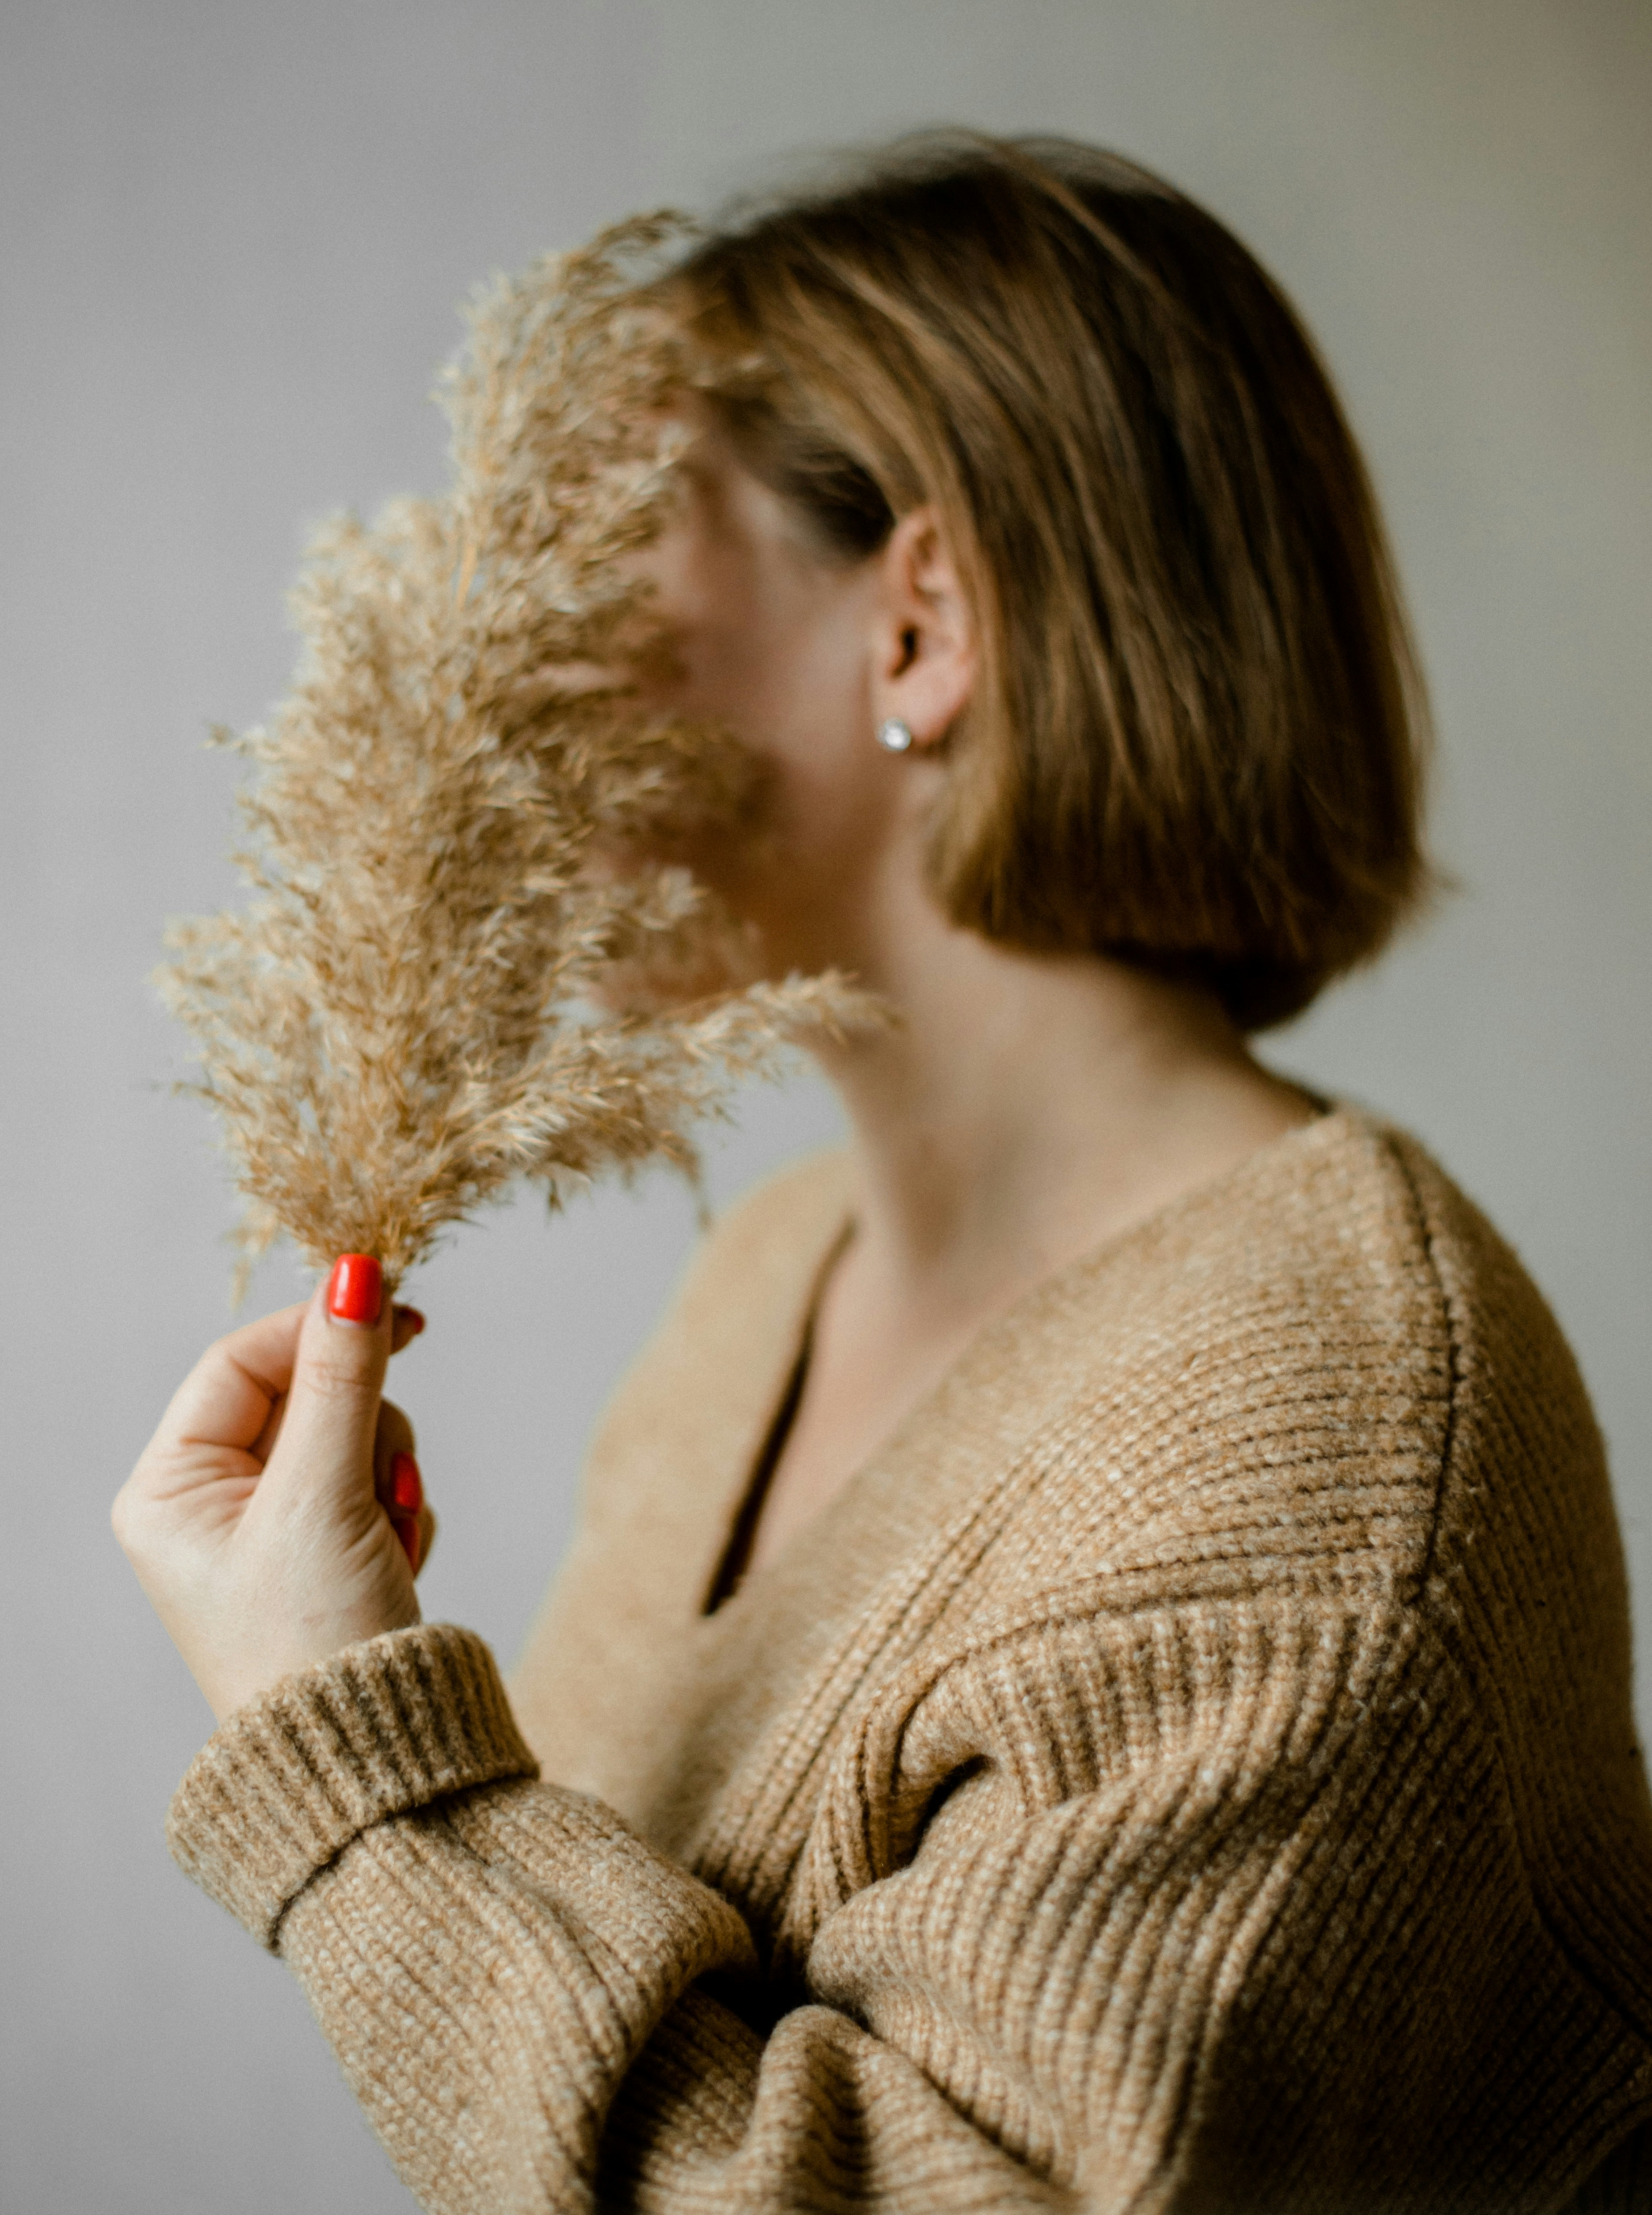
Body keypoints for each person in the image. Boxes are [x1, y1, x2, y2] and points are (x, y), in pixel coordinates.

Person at [113, 136, 1652, 2212]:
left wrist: (348, 1752)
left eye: (604, 540)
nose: (514, 645)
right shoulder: (778, 1267)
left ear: (919, 624)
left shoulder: (1319, 1458)